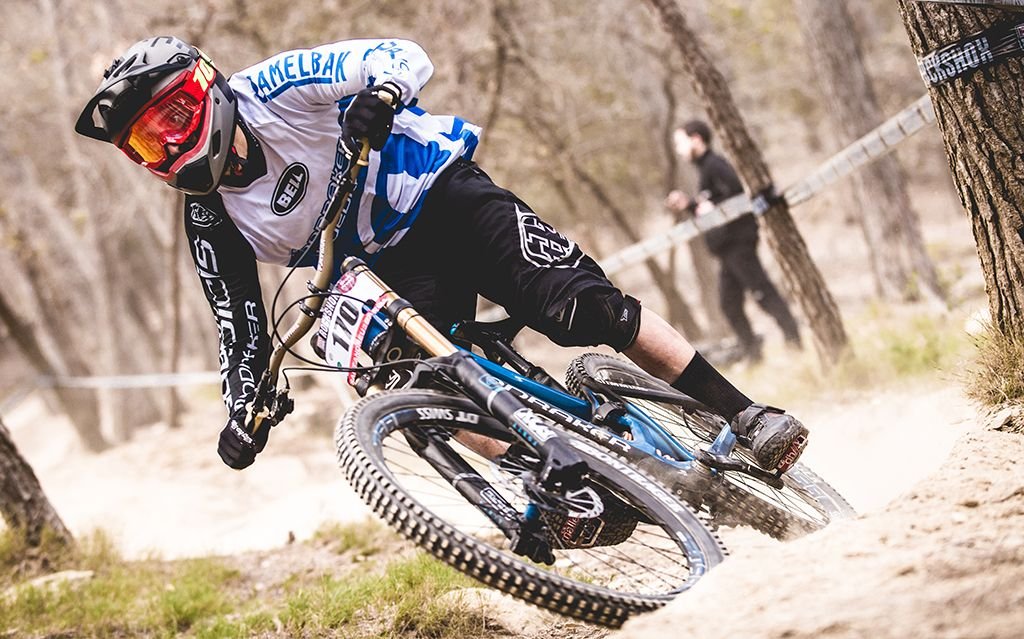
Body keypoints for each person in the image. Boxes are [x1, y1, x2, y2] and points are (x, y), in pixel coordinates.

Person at [75, 36, 808, 474]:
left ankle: (746, 416)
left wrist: (384, 93)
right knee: (408, 385)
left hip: (441, 195)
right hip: (383, 270)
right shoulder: (209, 219)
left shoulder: (272, 88)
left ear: (206, 88)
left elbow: (399, 54)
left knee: (583, 309)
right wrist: (244, 406)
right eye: (145, 143)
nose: (168, 145)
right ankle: (550, 480)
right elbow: (238, 327)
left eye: (171, 118)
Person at [666, 120, 801, 363]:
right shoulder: (705, 169)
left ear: (696, 139)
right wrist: (690, 205)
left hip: (739, 244)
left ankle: (794, 341)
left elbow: (737, 195)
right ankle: (753, 353)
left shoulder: (715, 165)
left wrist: (708, 206)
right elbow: (715, 205)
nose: (678, 149)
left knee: (763, 292)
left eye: (680, 142)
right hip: (726, 250)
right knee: (730, 304)